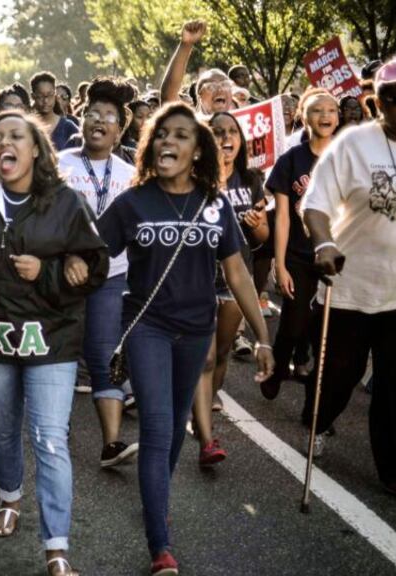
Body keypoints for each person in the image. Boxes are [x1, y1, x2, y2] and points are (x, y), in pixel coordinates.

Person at [97, 103, 273, 575]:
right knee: (156, 427)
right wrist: (67, 266)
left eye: (180, 135)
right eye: (161, 134)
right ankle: (160, 544)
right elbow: (93, 253)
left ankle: (156, 498)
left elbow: (236, 271)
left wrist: (263, 337)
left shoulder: (214, 203)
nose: (167, 142)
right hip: (147, 327)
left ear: (198, 150)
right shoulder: (132, 202)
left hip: (197, 331)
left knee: (175, 427)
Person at [0, 110, 108, 576]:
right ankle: (9, 499)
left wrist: (52, 272)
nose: (6, 143)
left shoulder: (66, 201)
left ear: (37, 149)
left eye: (17, 136)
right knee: (3, 426)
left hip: (51, 338)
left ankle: (57, 547)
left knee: (50, 439)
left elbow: (95, 266)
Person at [302, 60, 396, 501]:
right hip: (351, 288)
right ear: (376, 103)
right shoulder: (353, 145)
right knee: (338, 377)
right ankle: (318, 419)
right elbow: (314, 205)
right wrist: (322, 245)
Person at [57, 77, 141, 469]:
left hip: (111, 276)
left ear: (120, 129)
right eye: (92, 113)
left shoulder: (130, 173)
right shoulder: (59, 164)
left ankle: (111, 444)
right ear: (80, 120)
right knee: (58, 355)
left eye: (109, 116)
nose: (99, 120)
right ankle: (53, 432)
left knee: (105, 354)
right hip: (62, 277)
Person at [188, 111, 269, 466]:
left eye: (232, 131)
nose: (225, 136)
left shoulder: (251, 179)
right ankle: (206, 437)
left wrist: (257, 225)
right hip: (201, 280)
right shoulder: (195, 178)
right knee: (203, 358)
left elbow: (262, 238)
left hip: (236, 281)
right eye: (217, 131)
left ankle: (208, 396)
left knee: (221, 355)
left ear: (241, 139)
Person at [259, 88, 339, 403]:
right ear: (304, 117)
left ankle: (314, 405)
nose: (325, 116)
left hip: (335, 258)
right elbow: (282, 218)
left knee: (325, 336)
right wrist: (280, 265)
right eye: (317, 110)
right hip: (297, 256)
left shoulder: (346, 157)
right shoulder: (292, 159)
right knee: (293, 326)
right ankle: (278, 366)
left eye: (331, 110)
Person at [161, 21, 234, 117]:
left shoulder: (245, 122)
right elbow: (168, 96)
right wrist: (186, 44)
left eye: (225, 85)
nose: (220, 90)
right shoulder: (192, 124)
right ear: (199, 95)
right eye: (211, 87)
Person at [30, 71, 80, 151]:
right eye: (40, 96)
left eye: (49, 95)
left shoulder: (68, 127)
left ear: (55, 95)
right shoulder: (27, 126)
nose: (45, 100)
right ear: (33, 96)